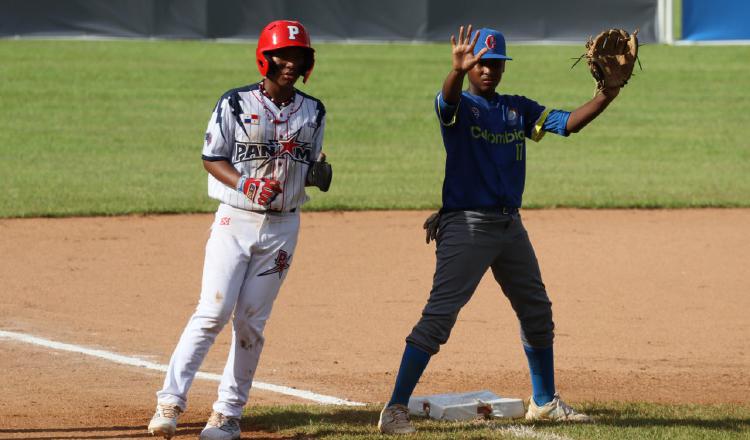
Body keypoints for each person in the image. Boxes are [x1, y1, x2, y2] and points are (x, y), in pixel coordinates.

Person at [378, 24, 622, 434]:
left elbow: (567, 124)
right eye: (480, 64)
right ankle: (395, 408)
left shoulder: (517, 109)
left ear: (504, 67)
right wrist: (456, 71)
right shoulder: (459, 109)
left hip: (510, 226)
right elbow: (447, 99)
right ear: (471, 66)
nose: (487, 70)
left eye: (495, 64)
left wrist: (607, 94)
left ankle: (544, 402)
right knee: (439, 318)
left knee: (537, 310)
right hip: (467, 226)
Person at [147, 20, 331, 440]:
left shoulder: (314, 110)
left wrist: (318, 173)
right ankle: (170, 403)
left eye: (298, 56)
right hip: (235, 220)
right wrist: (247, 183)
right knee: (212, 312)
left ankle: (227, 414)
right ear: (265, 58)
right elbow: (212, 157)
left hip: (284, 227)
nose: (290, 63)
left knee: (251, 322)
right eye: (283, 55)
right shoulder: (234, 103)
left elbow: (312, 162)